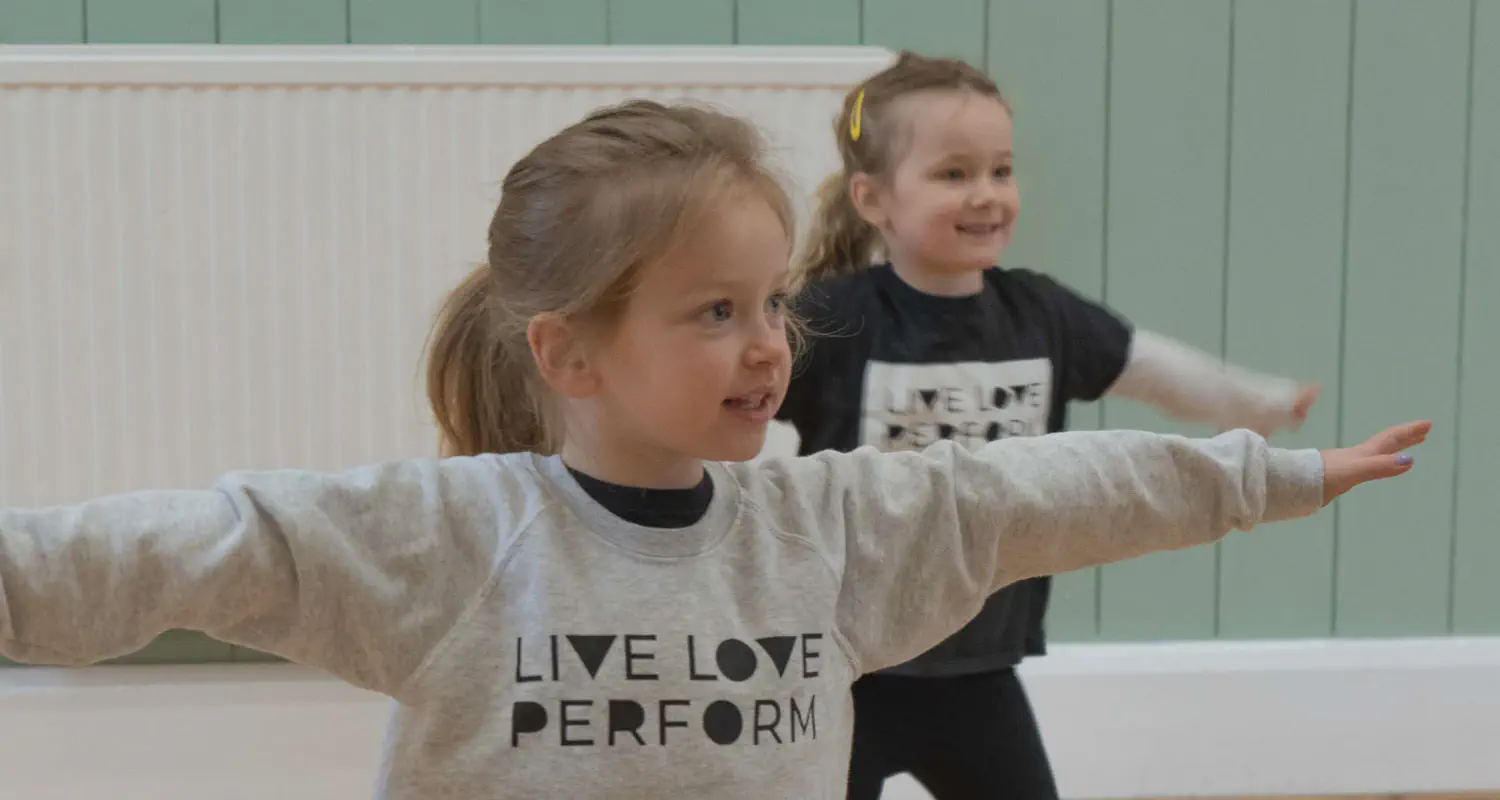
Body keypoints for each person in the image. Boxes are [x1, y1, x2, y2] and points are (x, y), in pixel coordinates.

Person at [0, 99, 1424, 799]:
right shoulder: (443, 541)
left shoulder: (819, 532)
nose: (766, 348)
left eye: (771, 308)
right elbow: (188, 543)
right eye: (713, 314)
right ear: (571, 354)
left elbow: (1035, 491)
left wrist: (1268, 474)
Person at [777, 51, 1324, 800]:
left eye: (1001, 170)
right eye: (953, 173)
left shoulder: (1039, 315)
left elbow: (1148, 366)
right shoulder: (835, 319)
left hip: (981, 667)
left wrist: (1252, 403)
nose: (987, 194)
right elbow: (722, 395)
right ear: (873, 199)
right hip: (848, 670)